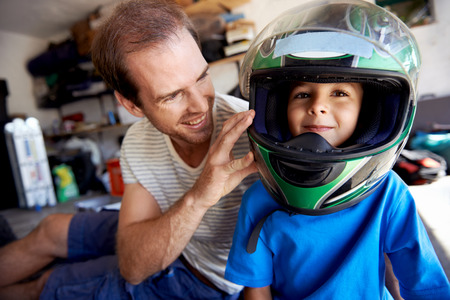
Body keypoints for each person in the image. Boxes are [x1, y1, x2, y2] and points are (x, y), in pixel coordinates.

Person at [0, 0, 258, 299]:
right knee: (50, 229)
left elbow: (134, 272)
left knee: (47, 286)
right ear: (131, 105)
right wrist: (201, 195)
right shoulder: (139, 139)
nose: (201, 106)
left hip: (199, 277)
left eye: (201, 77)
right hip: (170, 228)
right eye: (172, 95)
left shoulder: (253, 135)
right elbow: (135, 259)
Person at [224, 0, 450, 299]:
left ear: (367, 113)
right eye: (302, 93)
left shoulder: (388, 195)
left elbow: (422, 285)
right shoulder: (259, 199)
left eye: (340, 93)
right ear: (277, 111)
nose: (317, 106)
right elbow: (257, 290)